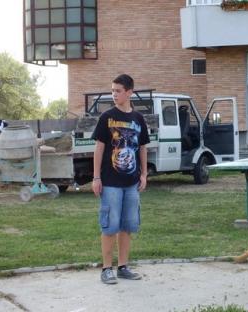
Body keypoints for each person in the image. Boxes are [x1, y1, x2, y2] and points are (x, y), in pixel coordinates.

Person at [92, 74, 150, 284]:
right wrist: (96, 177)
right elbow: (99, 148)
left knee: (128, 225)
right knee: (110, 226)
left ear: (129, 92)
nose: (114, 94)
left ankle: (123, 266)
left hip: (131, 184)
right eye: (113, 91)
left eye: (118, 91)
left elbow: (143, 147)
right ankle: (106, 269)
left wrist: (143, 174)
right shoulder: (107, 117)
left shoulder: (138, 119)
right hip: (110, 182)